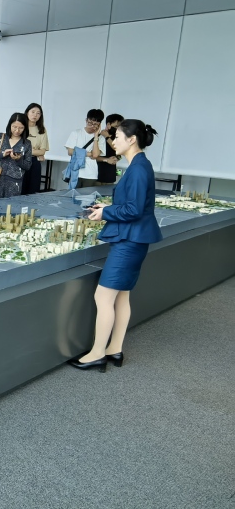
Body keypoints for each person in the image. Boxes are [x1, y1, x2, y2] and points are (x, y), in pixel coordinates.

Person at [69, 120, 162, 371]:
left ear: (132, 140)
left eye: (118, 137)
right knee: (121, 296)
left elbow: (134, 209)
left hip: (129, 241)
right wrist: (108, 207)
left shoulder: (139, 168)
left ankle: (97, 353)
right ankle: (114, 349)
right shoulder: (139, 165)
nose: (113, 141)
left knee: (103, 296)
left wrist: (106, 213)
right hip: (134, 238)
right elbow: (133, 204)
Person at [0, 113, 33, 199]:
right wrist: (2, 154)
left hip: (14, 183)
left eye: (21, 128)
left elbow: (28, 166)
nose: (17, 130)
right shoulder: (0, 137)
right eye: (14, 127)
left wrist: (18, 159)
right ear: (9, 125)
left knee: (11, 206)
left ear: (25, 128)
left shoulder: (27, 143)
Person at [65, 109, 106, 188]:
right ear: (86, 120)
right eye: (90, 123)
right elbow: (70, 152)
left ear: (99, 124)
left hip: (91, 174)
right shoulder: (76, 133)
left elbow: (95, 155)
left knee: (87, 195)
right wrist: (89, 154)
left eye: (95, 124)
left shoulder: (100, 138)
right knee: (72, 195)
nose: (92, 126)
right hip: (76, 172)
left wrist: (96, 136)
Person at [21, 103, 49, 195]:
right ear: (27, 113)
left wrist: (27, 151)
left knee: (33, 190)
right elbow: (17, 148)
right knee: (20, 189)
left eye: (38, 113)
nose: (35, 115)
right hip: (20, 161)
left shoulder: (42, 130)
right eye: (33, 112)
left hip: (34, 162)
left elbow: (42, 151)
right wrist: (35, 151)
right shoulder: (21, 127)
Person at [97, 113, 123, 185]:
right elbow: (94, 156)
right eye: (116, 126)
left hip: (110, 175)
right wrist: (107, 160)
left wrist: (116, 158)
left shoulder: (118, 138)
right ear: (108, 125)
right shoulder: (99, 137)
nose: (118, 129)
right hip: (98, 174)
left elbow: (120, 153)